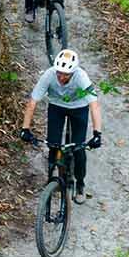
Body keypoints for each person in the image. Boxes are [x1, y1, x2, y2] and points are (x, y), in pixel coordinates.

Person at [19, 48, 104, 189]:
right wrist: (25, 129)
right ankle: (52, 179)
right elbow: (32, 103)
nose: (61, 77)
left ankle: (80, 183)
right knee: (53, 145)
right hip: (56, 107)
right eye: (59, 73)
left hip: (79, 108)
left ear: (73, 72)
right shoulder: (49, 75)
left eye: (66, 74)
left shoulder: (81, 77)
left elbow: (94, 105)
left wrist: (97, 134)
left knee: (78, 149)